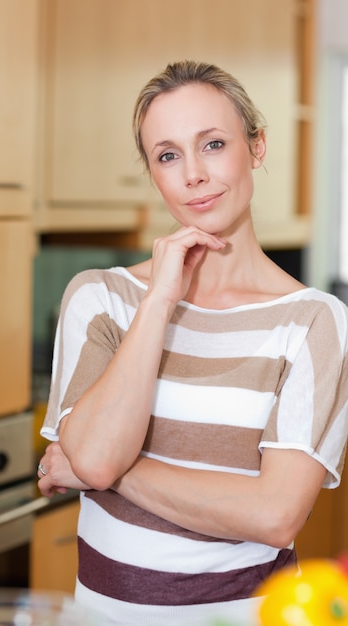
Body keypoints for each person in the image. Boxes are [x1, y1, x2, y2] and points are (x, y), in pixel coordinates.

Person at [37, 60, 348, 625]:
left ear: (256, 146)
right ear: (153, 173)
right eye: (168, 155)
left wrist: (99, 467)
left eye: (213, 144)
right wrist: (159, 300)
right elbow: (99, 455)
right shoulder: (99, 298)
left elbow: (275, 516)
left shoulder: (314, 322)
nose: (194, 175)